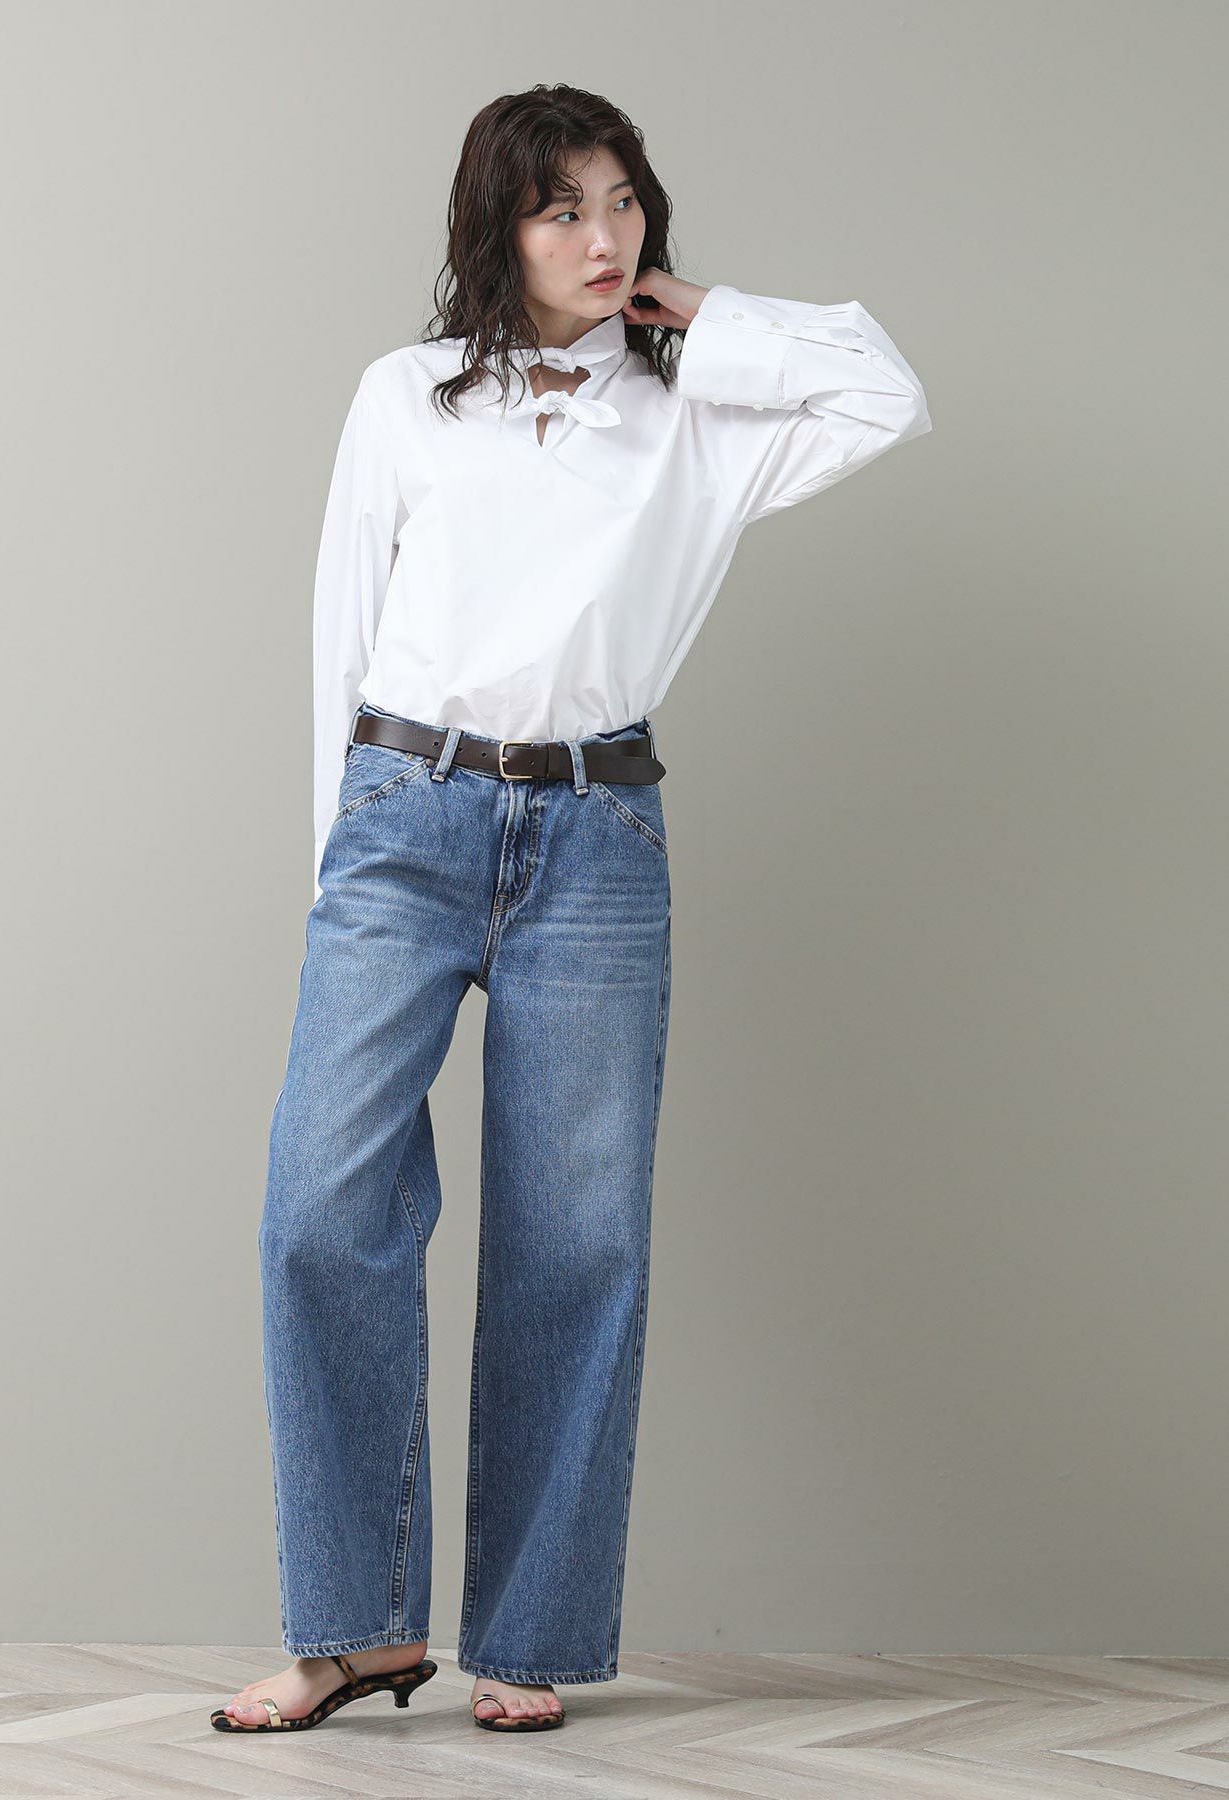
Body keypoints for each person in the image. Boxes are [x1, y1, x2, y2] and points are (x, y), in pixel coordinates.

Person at [212, 81, 931, 1738]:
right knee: (321, 1207)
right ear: (500, 229)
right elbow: (341, 636)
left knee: (576, 1240)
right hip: (403, 817)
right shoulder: (405, 398)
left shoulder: (698, 412)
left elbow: (886, 391)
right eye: (564, 209)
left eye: (623, 202)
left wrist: (710, 314)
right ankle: (351, 1629)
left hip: (597, 837)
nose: (604, 237)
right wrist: (335, 864)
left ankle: (527, 1634)